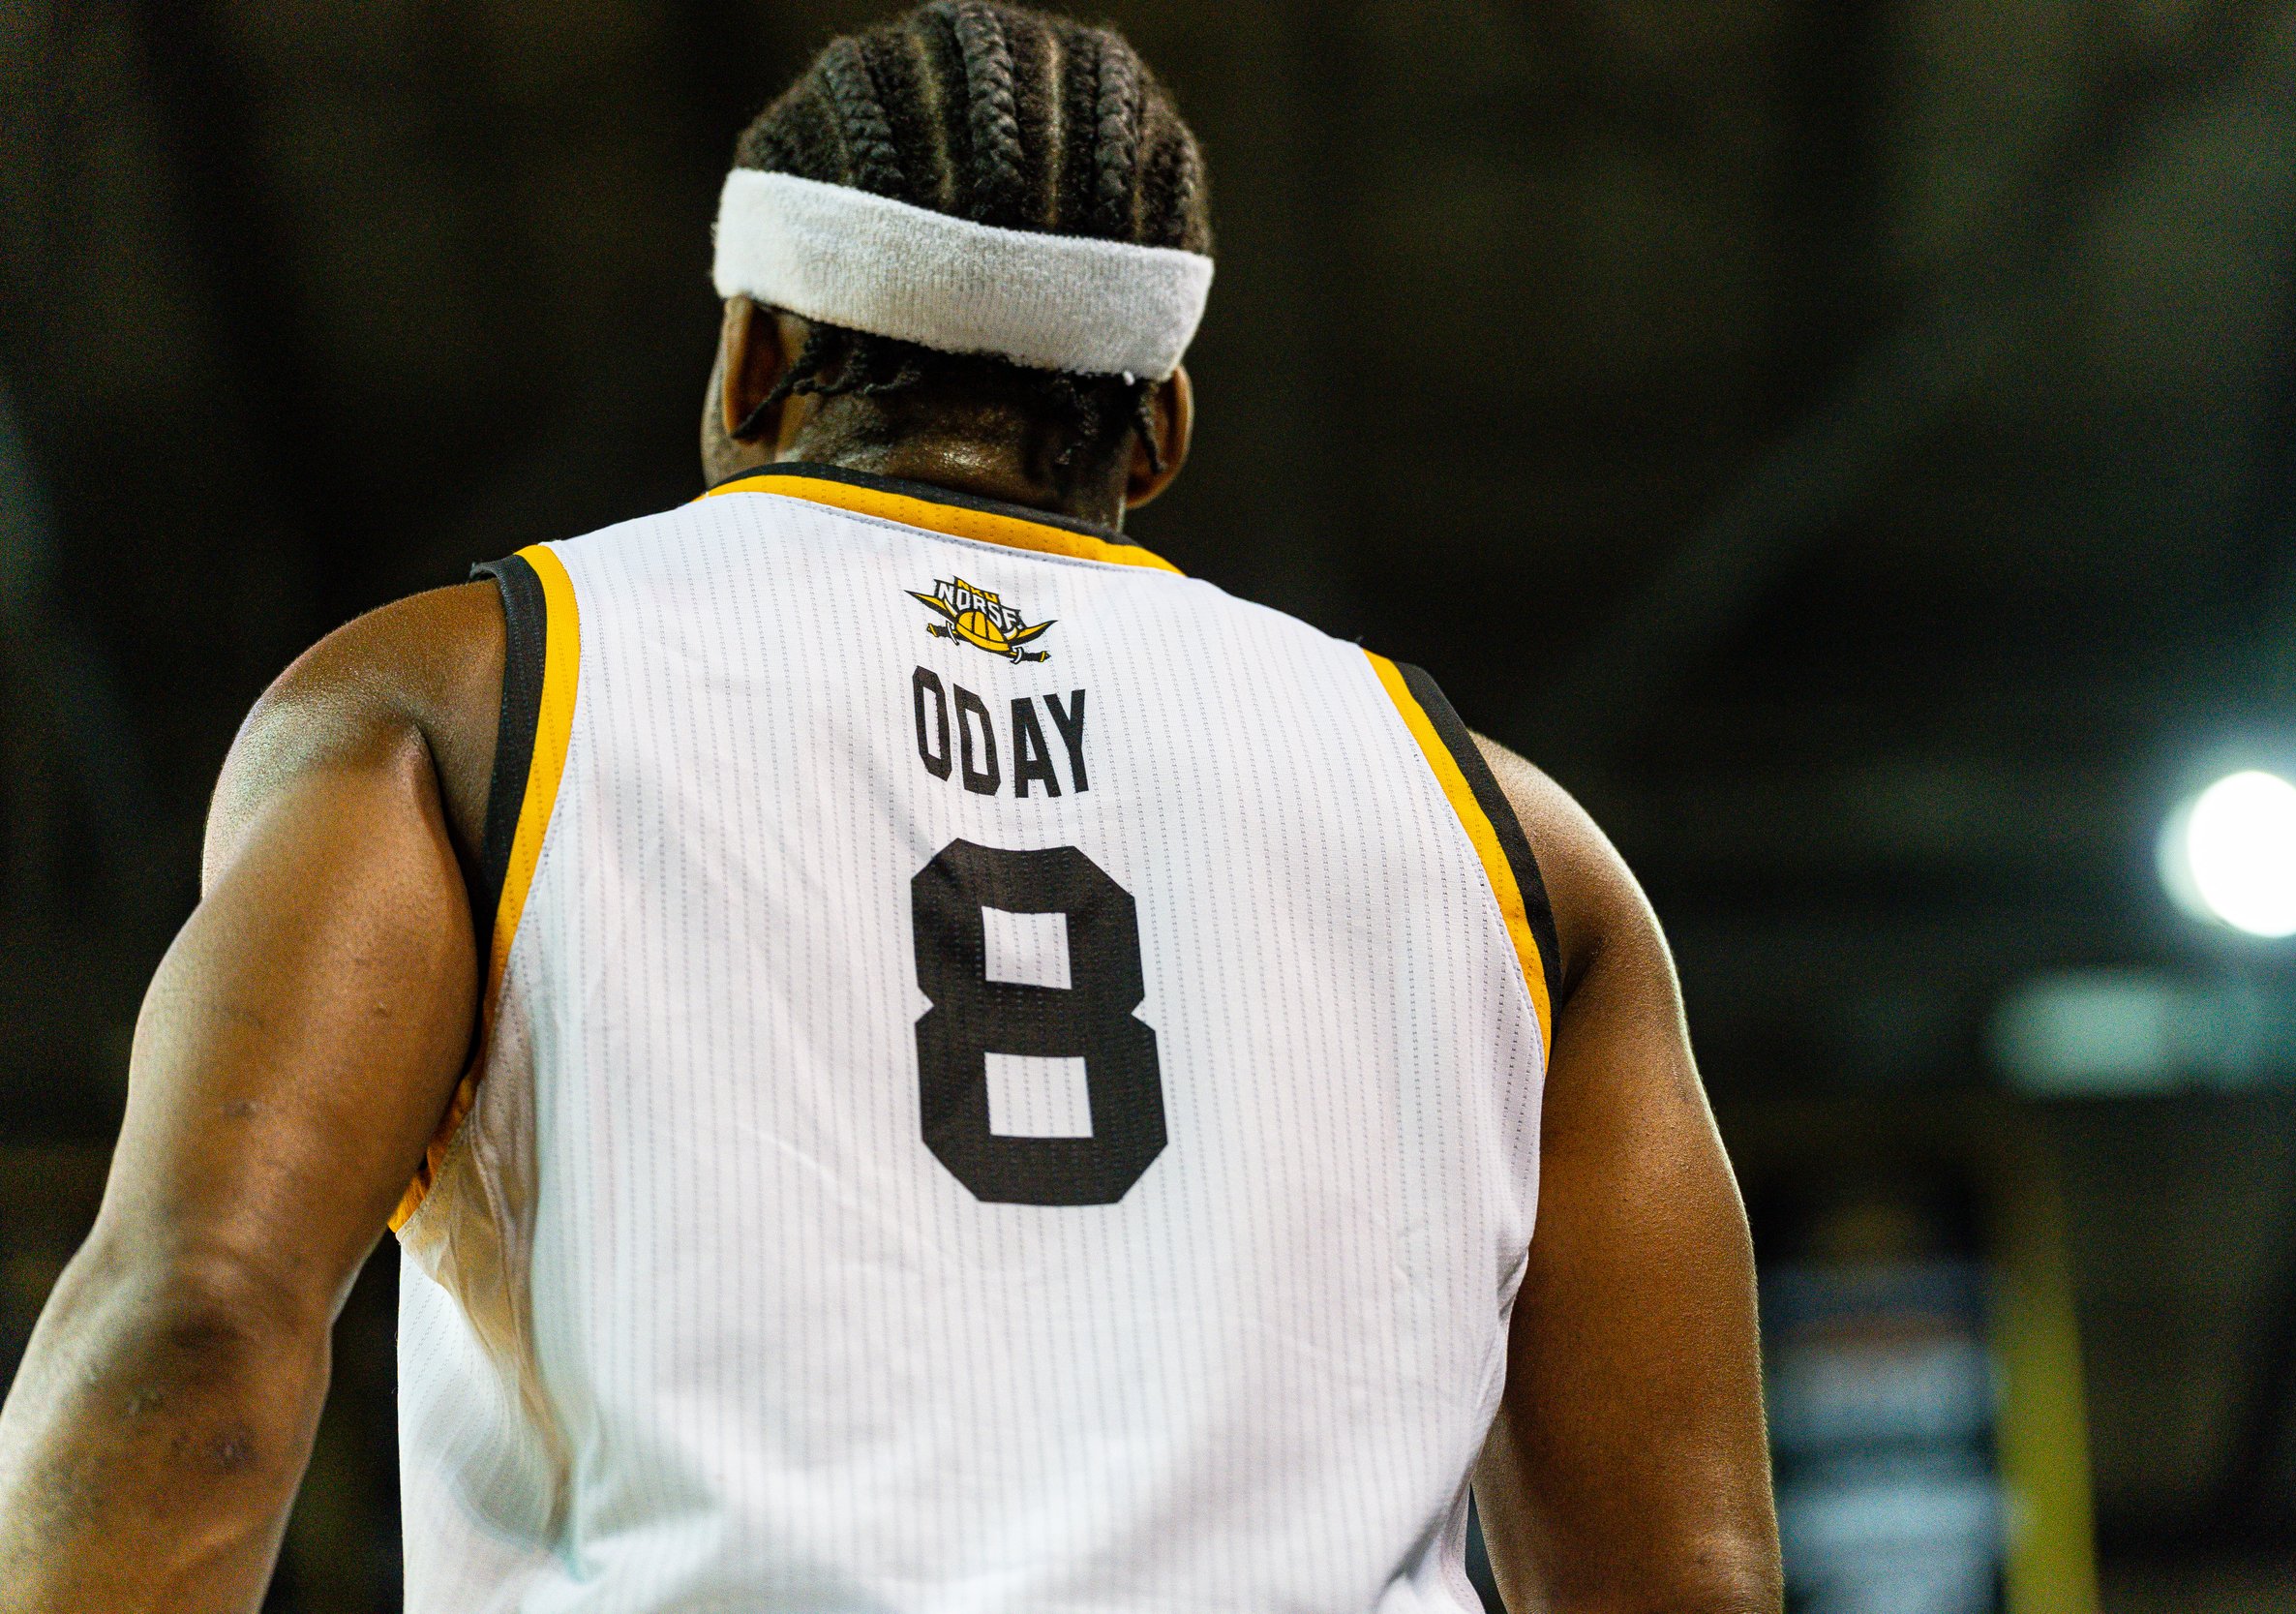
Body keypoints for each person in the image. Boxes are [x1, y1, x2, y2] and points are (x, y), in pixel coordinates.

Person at [0, 6, 1780, 1610]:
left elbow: (198, 1332)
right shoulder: (1508, 836)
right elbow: (1677, 1573)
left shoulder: (464, 697)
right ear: (1154, 430)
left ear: (754, 361)